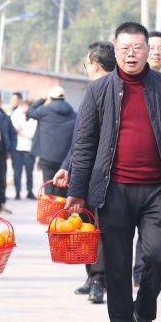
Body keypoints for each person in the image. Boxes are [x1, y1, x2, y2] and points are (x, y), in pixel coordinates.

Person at [66, 22, 161, 322]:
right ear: (115, 51)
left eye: (137, 48)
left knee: (159, 256)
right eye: (124, 48)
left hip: (158, 189)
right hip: (113, 190)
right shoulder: (98, 90)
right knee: (117, 266)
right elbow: (85, 144)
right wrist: (77, 191)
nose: (131, 54)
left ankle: (143, 308)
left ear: (148, 50)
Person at [53, 41, 115, 304]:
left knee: (98, 226)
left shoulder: (112, 91)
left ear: (95, 65)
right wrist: (66, 166)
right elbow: (81, 139)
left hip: (104, 172)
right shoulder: (94, 91)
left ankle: (99, 279)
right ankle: (92, 276)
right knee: (86, 225)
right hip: (86, 171)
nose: (86, 68)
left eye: (86, 64)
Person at [133, 31, 161, 287]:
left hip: (160, 173)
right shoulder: (128, 84)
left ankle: (143, 274)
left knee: (153, 234)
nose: (157, 52)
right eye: (153, 47)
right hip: (127, 175)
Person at [27, 86, 76, 198]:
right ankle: (62, 208)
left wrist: (42, 99)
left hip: (47, 158)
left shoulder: (44, 111)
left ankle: (50, 208)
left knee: (49, 188)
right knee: (63, 187)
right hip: (65, 160)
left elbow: (30, 112)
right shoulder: (73, 114)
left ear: (50, 97)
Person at [0, 91, 16, 213]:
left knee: (1, 180)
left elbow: (12, 135)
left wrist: (10, 150)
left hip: (1, 154)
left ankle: (1, 205)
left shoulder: (6, 118)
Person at [10, 96, 37, 200]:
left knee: (29, 173)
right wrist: (18, 130)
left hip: (29, 150)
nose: (25, 108)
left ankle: (29, 191)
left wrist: (21, 131)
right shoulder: (16, 115)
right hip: (17, 149)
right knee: (17, 173)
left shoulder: (34, 118)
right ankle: (17, 192)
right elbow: (12, 128)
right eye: (23, 106)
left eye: (27, 106)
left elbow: (32, 133)